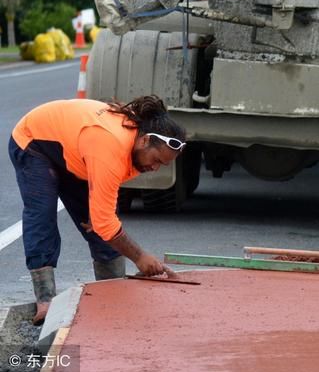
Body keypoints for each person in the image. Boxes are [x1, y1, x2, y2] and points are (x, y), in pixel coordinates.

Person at [8, 95, 186, 325]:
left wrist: (101, 220)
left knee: (102, 228)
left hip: (75, 153)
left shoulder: (134, 150)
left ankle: (112, 293)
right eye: (156, 159)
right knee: (43, 214)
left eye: (162, 164)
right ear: (144, 141)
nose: (154, 167)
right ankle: (45, 299)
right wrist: (140, 257)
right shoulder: (109, 144)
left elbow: (104, 220)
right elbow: (105, 223)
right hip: (35, 142)